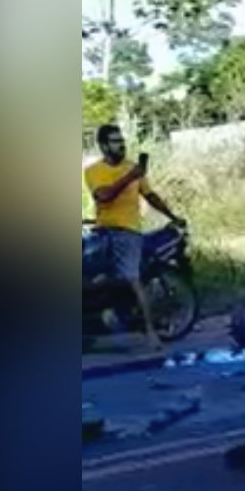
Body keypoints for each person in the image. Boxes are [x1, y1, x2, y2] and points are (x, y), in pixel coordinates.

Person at [84, 124, 185, 349]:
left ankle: (151, 332)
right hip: (102, 231)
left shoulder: (132, 168)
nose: (120, 145)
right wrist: (130, 176)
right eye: (114, 141)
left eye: (121, 140)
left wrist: (172, 215)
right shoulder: (94, 171)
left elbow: (150, 196)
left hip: (128, 231)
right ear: (103, 146)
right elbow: (104, 196)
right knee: (88, 275)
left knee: (131, 277)